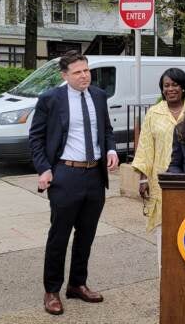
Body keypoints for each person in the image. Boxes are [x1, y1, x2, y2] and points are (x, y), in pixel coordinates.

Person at [29, 51, 118, 316]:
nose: (84, 76)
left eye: (86, 70)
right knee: (59, 235)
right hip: (65, 174)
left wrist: (111, 150)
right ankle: (52, 290)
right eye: (78, 72)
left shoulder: (99, 96)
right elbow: (35, 138)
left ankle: (77, 283)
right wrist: (45, 169)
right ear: (64, 75)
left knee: (86, 235)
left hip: (94, 175)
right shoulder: (50, 99)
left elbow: (107, 131)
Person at [131, 68, 185, 262]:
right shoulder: (154, 113)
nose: (170, 89)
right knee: (165, 231)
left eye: (175, 85)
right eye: (166, 85)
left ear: (183, 87)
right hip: (161, 181)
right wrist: (142, 180)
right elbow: (146, 146)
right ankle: (165, 274)